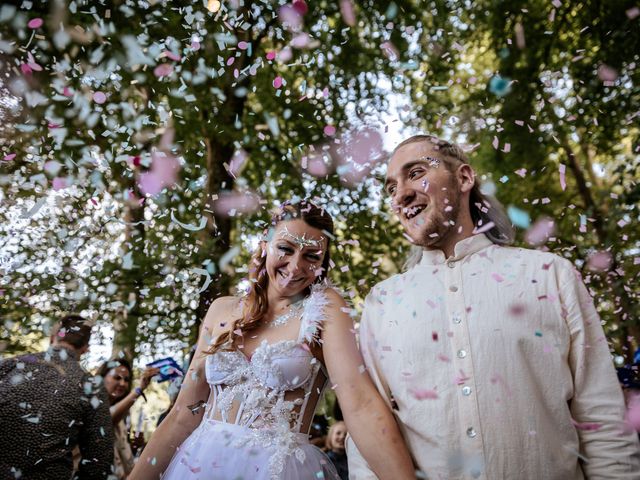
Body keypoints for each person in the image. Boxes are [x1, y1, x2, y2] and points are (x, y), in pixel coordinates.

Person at [347, 134, 640, 479]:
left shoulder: (549, 275)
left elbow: (601, 417)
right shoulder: (382, 303)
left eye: (415, 173)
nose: (401, 194)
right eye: (390, 187)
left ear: (464, 178)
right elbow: (368, 437)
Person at [129, 200, 416, 480]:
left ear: (323, 263)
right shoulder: (221, 309)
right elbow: (183, 414)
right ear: (265, 245)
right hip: (199, 464)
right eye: (285, 248)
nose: (295, 266)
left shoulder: (325, 310)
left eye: (311, 256)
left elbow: (359, 404)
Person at [0, 315, 114, 479]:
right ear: (85, 348)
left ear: (52, 337)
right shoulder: (90, 384)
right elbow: (100, 459)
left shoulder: (9, 366)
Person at [98, 358, 159, 479]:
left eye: (126, 380)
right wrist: (139, 389)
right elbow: (107, 418)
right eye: (117, 378)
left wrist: (136, 447)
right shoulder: (92, 408)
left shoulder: (122, 417)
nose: (122, 384)